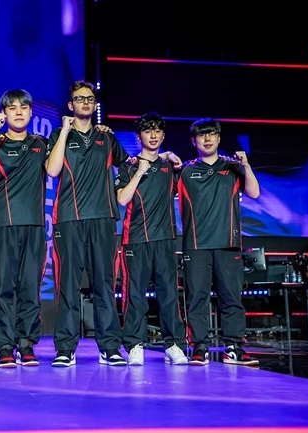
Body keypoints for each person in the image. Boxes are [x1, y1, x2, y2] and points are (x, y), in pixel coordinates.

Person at [45, 81, 130, 367]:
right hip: (69, 218)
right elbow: (52, 170)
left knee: (104, 285)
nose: (85, 102)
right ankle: (65, 349)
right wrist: (64, 131)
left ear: (95, 105)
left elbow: (127, 166)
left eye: (90, 99)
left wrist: (118, 188)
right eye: (80, 99)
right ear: (71, 105)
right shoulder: (59, 135)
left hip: (103, 218)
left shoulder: (106, 137)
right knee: (68, 285)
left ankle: (110, 347)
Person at [177, 118, 260, 366]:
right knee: (196, 298)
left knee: (231, 298)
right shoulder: (185, 171)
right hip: (196, 245)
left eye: (212, 134)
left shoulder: (232, 167)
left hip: (228, 244)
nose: (208, 138)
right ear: (194, 141)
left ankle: (233, 348)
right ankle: (199, 347)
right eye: (202, 135)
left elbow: (254, 192)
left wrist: (246, 166)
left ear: (219, 138)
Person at [0, 89, 48, 368]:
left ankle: (27, 344)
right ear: (3, 113)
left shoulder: (41, 144)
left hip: (34, 226)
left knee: (30, 288)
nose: (18, 112)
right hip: (2, 224)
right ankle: (4, 345)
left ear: (31, 112)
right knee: (2, 287)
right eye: (12, 107)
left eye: (23, 107)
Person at [115, 112, 187, 366]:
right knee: (135, 295)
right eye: (148, 131)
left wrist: (173, 161)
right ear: (139, 137)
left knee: (169, 295)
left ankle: (174, 345)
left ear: (163, 135)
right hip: (135, 240)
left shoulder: (170, 168)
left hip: (165, 240)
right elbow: (121, 199)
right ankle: (135, 345)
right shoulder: (128, 167)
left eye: (157, 131)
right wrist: (139, 173)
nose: (153, 135)